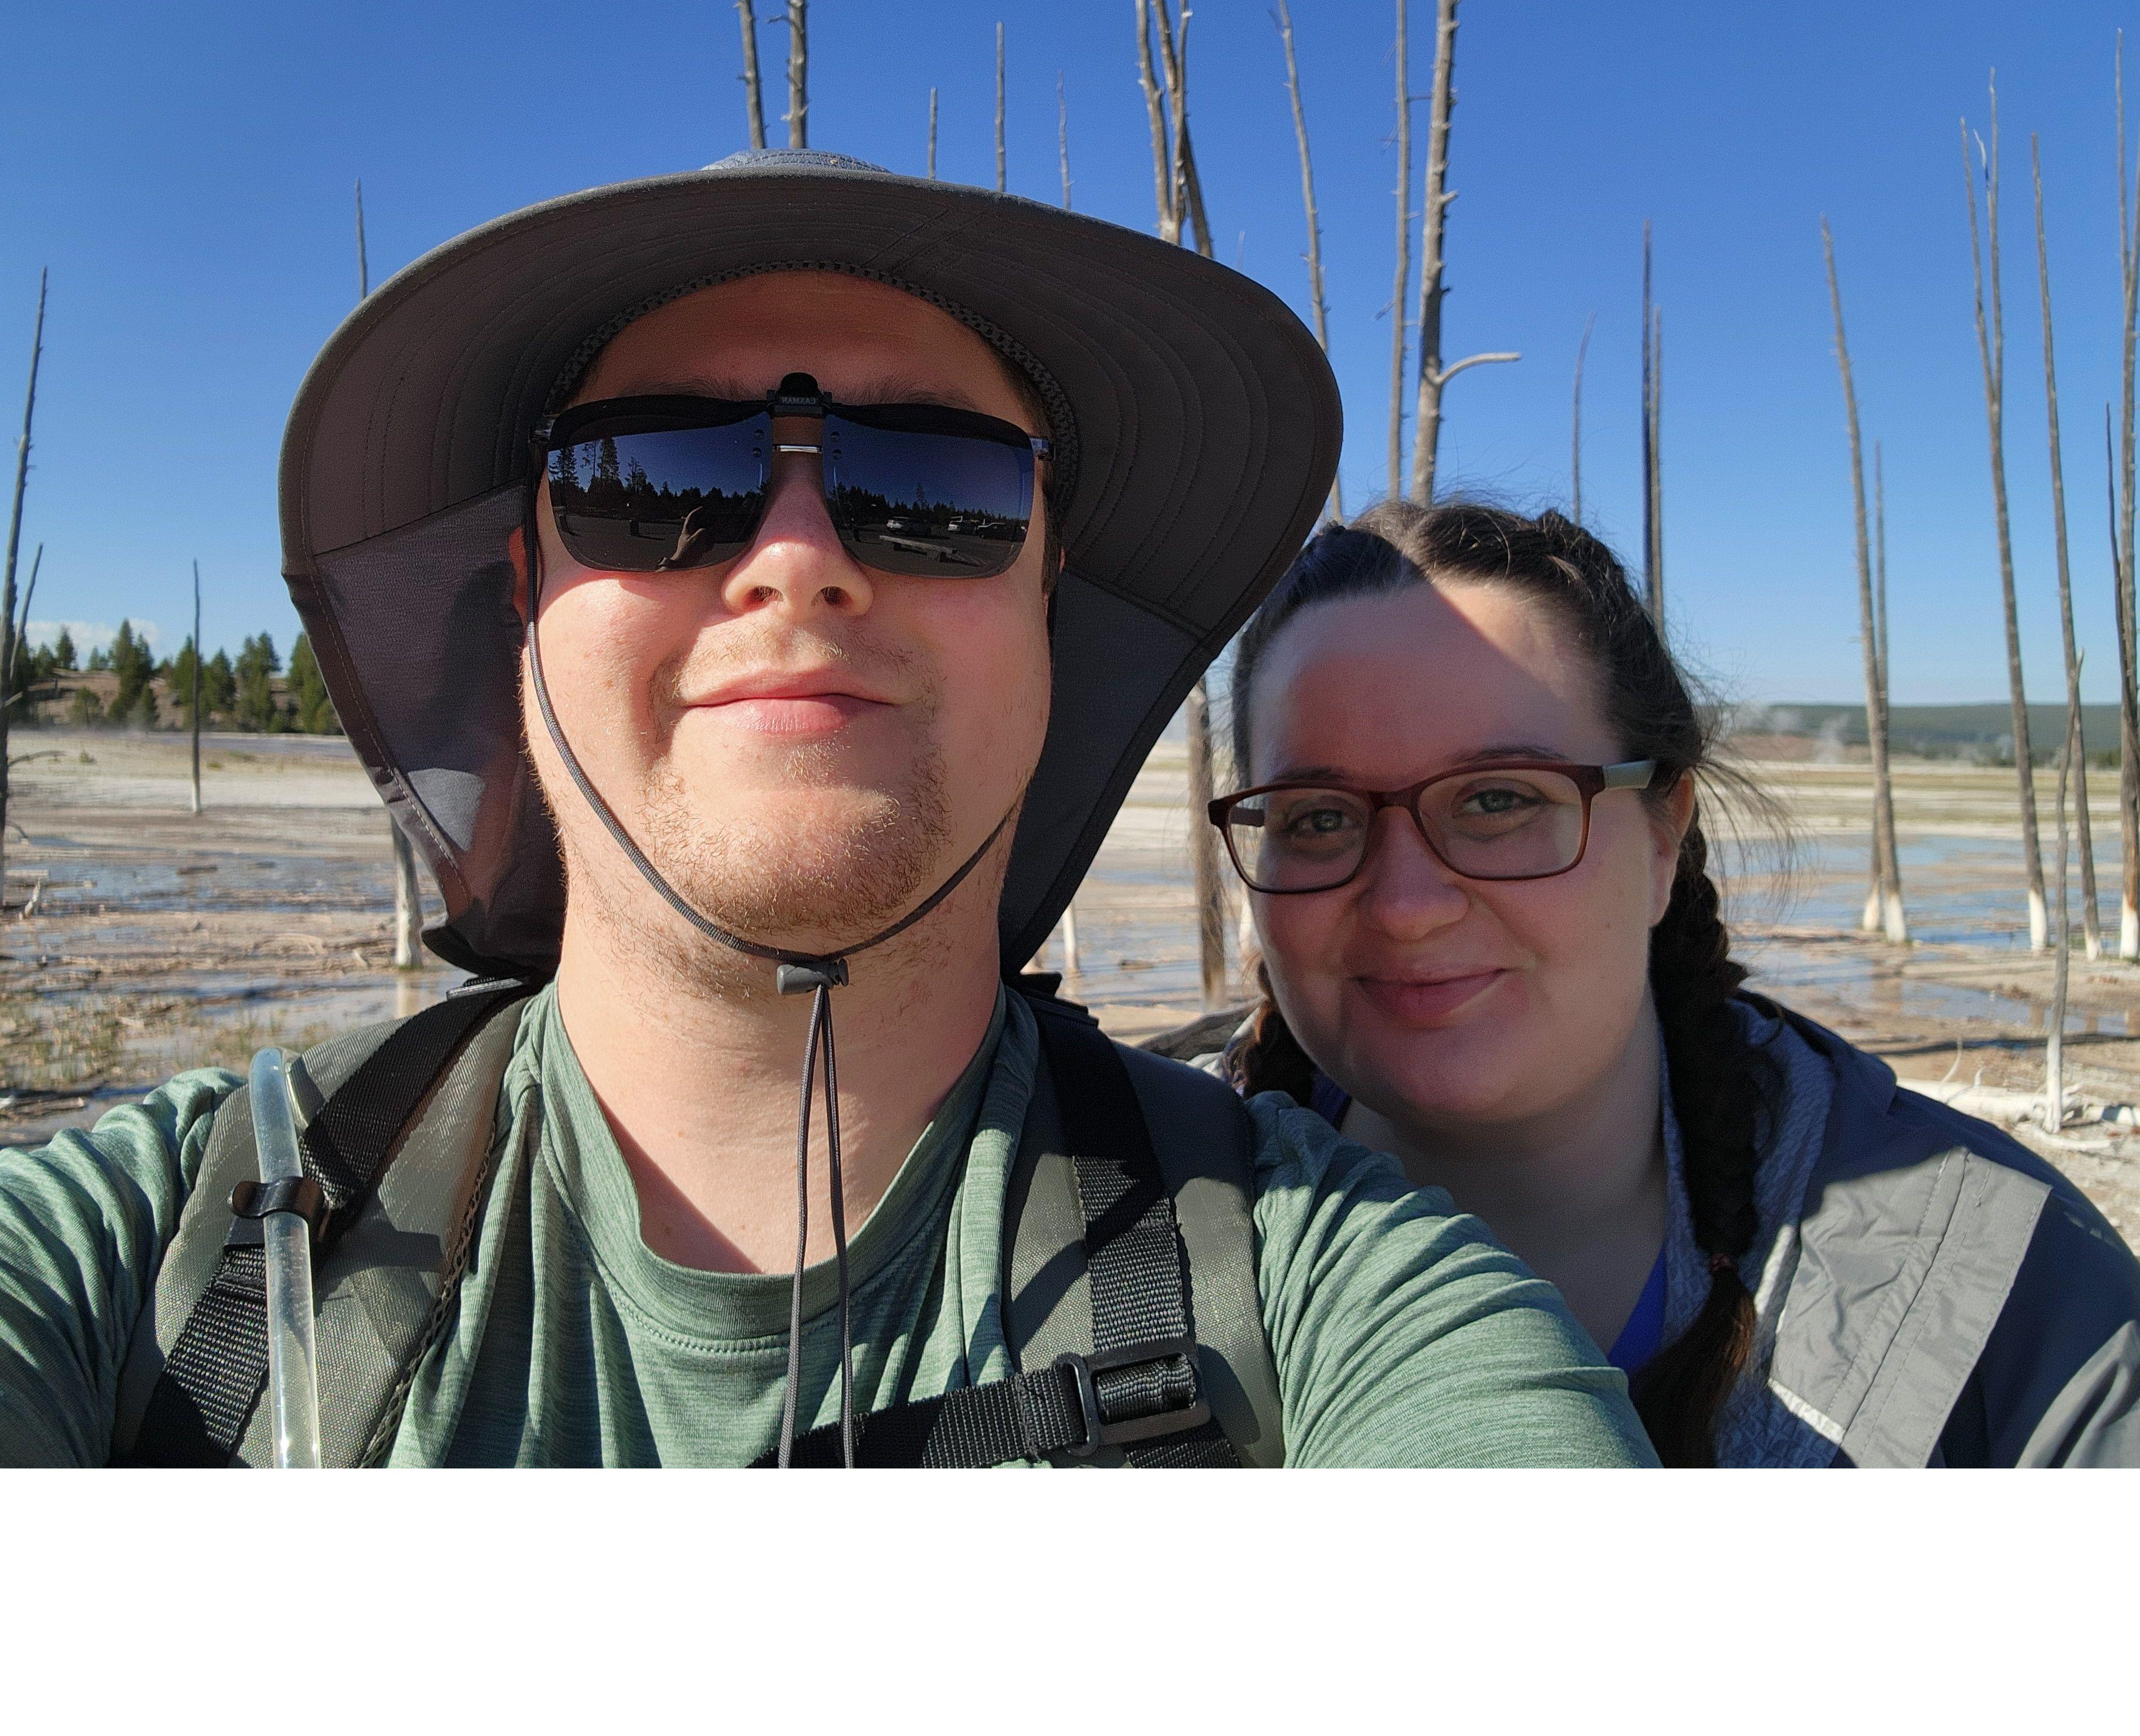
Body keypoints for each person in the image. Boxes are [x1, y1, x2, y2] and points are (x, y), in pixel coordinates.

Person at [0, 152, 1654, 1468]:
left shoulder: (1326, 1289)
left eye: (934, 488)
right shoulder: (153, 1255)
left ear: (1047, 604)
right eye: (656, 479)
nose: (797, 559)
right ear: (525, 601)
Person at [1210, 497, 2140, 1467]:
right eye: (1319, 817)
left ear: (1664, 835)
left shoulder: (2006, 1291)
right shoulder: (1139, 1209)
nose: (1407, 906)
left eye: (1498, 799)